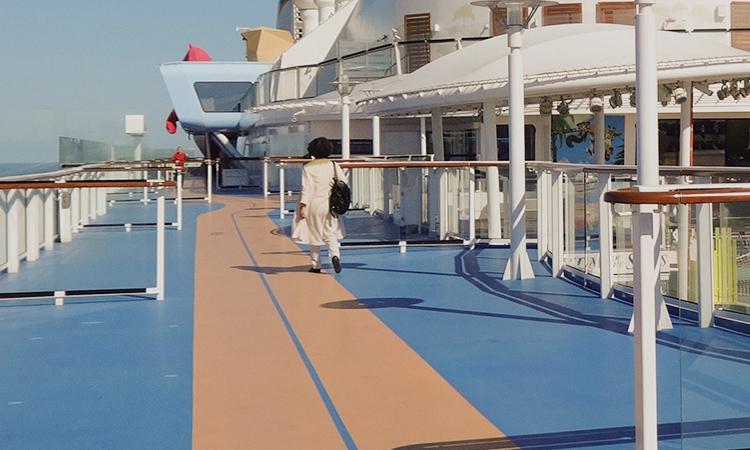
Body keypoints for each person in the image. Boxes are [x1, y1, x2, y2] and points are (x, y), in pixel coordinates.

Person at [292, 137, 347, 273]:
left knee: (313, 234)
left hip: (312, 205)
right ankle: (334, 256)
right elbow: (343, 181)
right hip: (329, 204)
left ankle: (316, 265)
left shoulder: (308, 167)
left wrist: (303, 207)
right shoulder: (333, 165)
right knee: (330, 232)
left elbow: (306, 188)